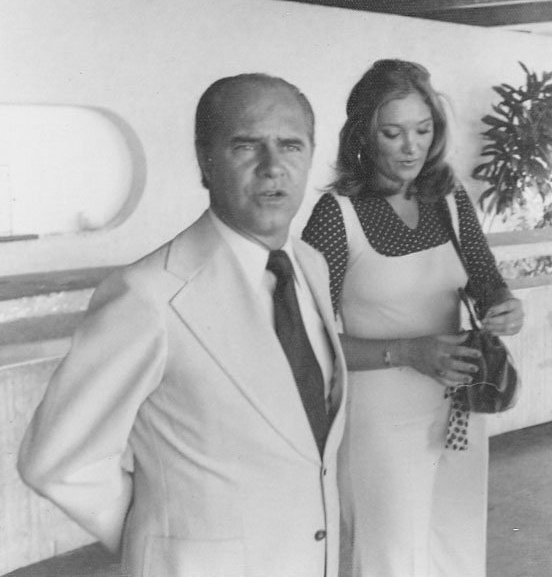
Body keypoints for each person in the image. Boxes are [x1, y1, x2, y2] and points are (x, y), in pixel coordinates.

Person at [18, 74, 347, 577]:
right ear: (204, 160)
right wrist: (160, 535)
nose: (272, 166)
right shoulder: (148, 294)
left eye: (290, 145)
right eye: (246, 146)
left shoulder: (310, 267)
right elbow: (57, 461)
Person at [301, 58, 523, 577]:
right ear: (364, 134)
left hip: (459, 410)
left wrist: (503, 305)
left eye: (422, 130)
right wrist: (407, 351)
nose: (411, 147)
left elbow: (484, 279)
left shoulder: (448, 198)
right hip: (380, 422)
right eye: (393, 132)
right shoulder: (336, 215)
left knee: (457, 552)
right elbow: (310, 341)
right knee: (392, 560)